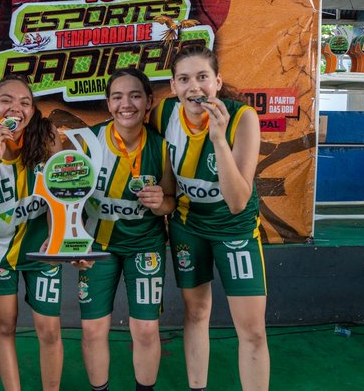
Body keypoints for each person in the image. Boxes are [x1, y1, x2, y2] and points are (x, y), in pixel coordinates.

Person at [150, 45, 270, 391]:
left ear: (217, 81)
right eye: (184, 79)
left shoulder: (243, 118)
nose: (194, 87)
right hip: (189, 226)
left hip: (234, 228)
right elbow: (166, 181)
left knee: (252, 330)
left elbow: (237, 201)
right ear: (173, 86)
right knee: (197, 313)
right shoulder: (163, 115)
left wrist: (218, 138)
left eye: (202, 77)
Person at [0, 75, 65, 391]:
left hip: (41, 248)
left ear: (32, 111)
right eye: (6, 100)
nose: (16, 108)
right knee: (5, 327)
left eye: (25, 102)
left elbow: (62, 194)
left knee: (49, 329)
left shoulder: (46, 140)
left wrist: (57, 234)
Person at [79, 69, 176, 391]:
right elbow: (68, 200)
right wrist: (73, 243)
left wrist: (159, 202)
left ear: (148, 101)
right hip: (97, 246)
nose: (126, 104)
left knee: (146, 330)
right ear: (108, 104)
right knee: (93, 329)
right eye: (117, 97)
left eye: (135, 95)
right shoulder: (88, 142)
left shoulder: (162, 147)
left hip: (144, 246)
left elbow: (170, 203)